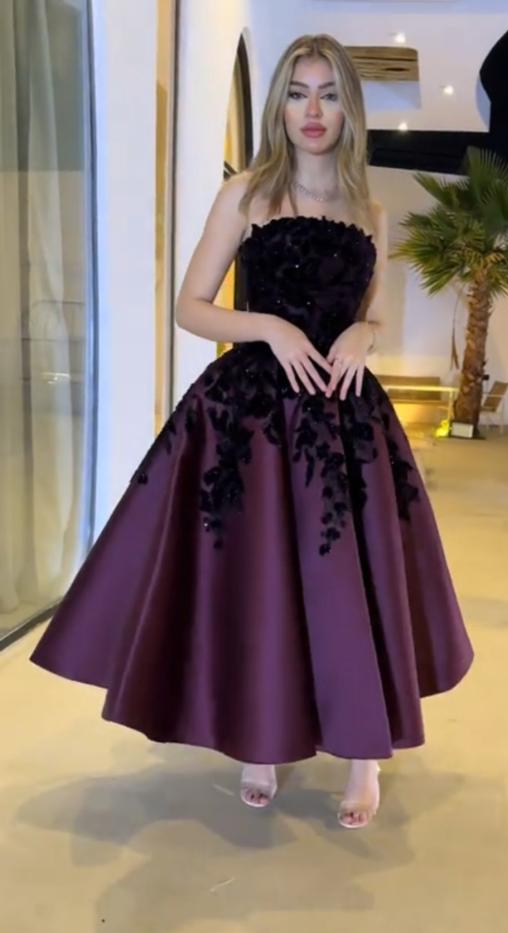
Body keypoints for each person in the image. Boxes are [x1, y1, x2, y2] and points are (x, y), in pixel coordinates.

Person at [29, 33, 474, 830]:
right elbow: (191, 306)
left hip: (343, 416)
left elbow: (372, 312)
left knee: (351, 584)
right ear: (279, 106)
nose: (313, 110)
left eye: (328, 94)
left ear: (349, 107)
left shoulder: (370, 208)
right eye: (298, 93)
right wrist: (268, 325)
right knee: (260, 579)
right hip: (254, 419)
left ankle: (363, 756)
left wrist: (366, 333)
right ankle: (259, 743)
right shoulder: (247, 194)